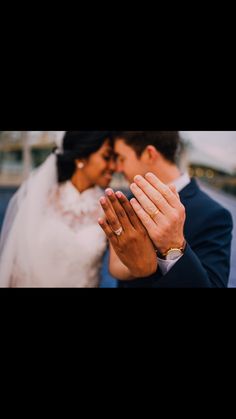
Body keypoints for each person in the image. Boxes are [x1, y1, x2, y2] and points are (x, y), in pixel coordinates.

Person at [99, 131, 233, 288]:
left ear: (149, 154)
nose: (117, 167)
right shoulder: (125, 202)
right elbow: (115, 266)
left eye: (122, 158)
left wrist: (172, 247)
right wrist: (137, 266)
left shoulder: (213, 215)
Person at [0, 131, 117, 287]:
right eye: (107, 157)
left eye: (116, 159)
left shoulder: (110, 208)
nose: (114, 166)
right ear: (81, 158)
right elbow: (16, 261)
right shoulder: (41, 197)